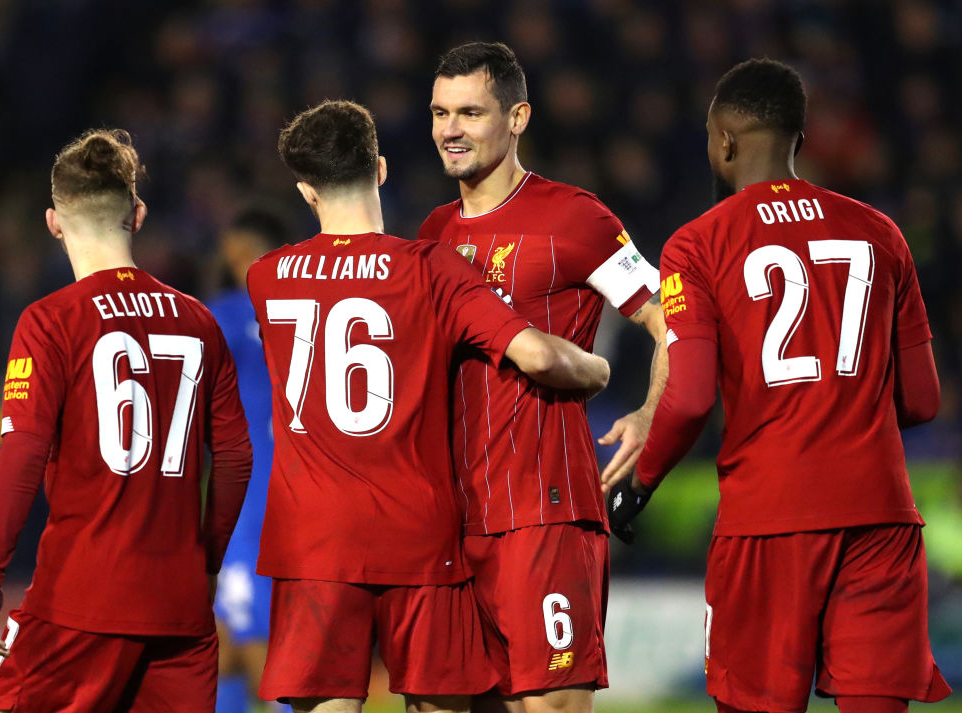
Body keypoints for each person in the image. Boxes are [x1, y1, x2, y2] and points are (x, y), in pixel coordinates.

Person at [611, 58, 952, 713]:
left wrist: (639, 485)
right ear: (799, 139)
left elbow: (688, 397)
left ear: (726, 142)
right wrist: (841, 408)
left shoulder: (697, 244)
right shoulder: (881, 232)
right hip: (880, 518)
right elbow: (924, 399)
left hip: (769, 520)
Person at [248, 99, 610, 713]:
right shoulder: (430, 268)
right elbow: (540, 358)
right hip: (416, 533)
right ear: (381, 170)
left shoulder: (267, 277)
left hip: (312, 537)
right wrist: (596, 369)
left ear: (307, 192)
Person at [417, 41, 667, 713]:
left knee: (548, 705)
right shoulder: (433, 233)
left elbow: (674, 319)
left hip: (543, 510)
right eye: (440, 112)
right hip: (449, 520)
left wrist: (652, 415)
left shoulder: (576, 218)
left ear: (518, 117)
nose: (450, 129)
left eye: (470, 112)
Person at [0, 128, 253, 713]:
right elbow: (234, 456)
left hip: (80, 595)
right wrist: (204, 567)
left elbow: (22, 454)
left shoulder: (50, 321)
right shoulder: (199, 320)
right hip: (179, 602)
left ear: (53, 222)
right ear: (139, 215)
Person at [209, 209, 294, 713]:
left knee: (245, 642)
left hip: (254, 499)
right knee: (242, 637)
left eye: (245, 255)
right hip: (273, 492)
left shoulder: (228, 313)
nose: (239, 267)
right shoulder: (311, 307)